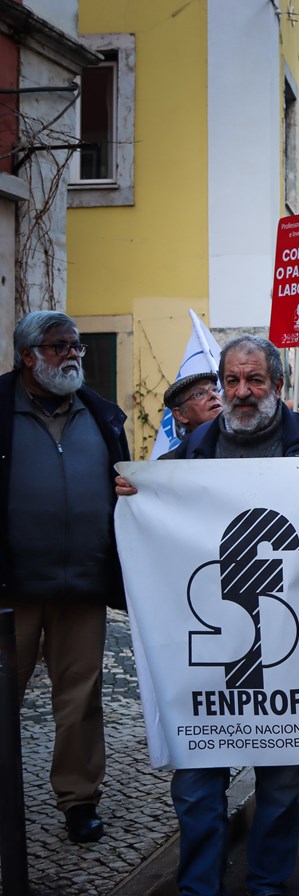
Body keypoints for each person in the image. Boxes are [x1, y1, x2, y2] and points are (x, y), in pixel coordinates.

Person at [118, 335, 299, 896]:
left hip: (285, 651)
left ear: (278, 385)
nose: (243, 393)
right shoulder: (186, 457)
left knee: (280, 784)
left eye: (255, 380)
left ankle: (268, 889)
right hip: (208, 651)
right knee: (196, 785)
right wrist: (137, 502)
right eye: (232, 382)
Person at [1, 310, 128, 844]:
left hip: (82, 585)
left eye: (76, 345)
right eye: (60, 346)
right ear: (28, 357)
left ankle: (79, 800)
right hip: (11, 589)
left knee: (81, 699)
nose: (74, 354)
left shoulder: (102, 415)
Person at [161, 372, 222, 456]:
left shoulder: (239, 444)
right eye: (199, 394)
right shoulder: (172, 461)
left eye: (214, 390)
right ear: (180, 414)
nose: (213, 395)